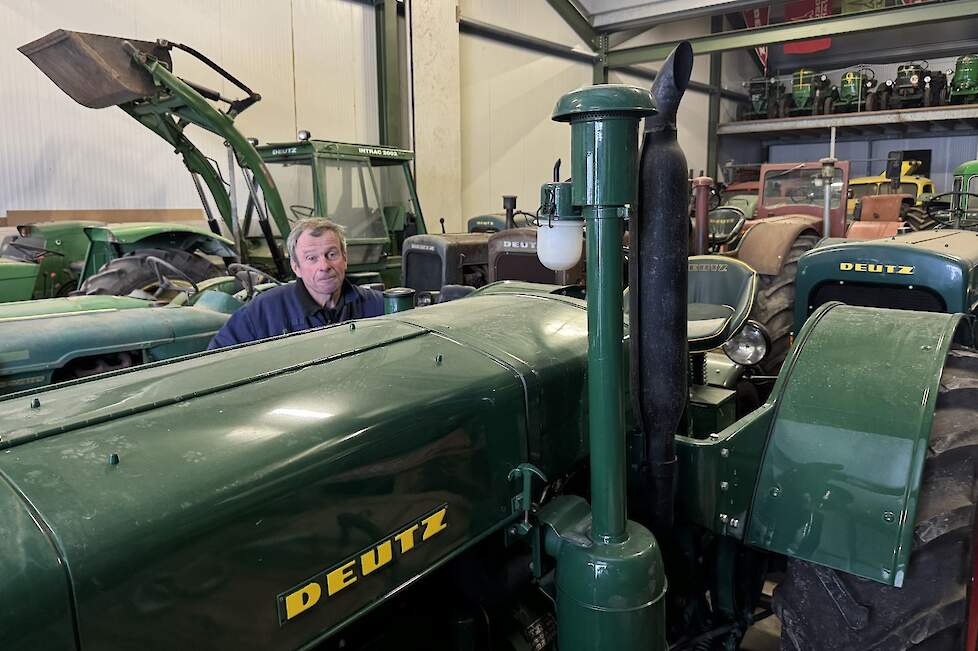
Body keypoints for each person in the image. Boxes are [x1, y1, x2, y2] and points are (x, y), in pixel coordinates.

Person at [208, 218, 384, 349]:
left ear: (345, 259)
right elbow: (215, 361)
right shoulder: (263, 312)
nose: (324, 266)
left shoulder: (376, 305)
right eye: (311, 258)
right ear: (296, 267)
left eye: (331, 254)